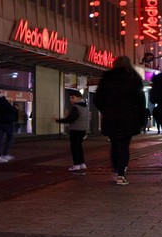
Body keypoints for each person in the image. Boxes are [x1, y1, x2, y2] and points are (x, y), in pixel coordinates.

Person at [94, 55, 145, 186]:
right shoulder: (134, 79)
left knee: (114, 144)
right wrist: (141, 120)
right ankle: (121, 175)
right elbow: (141, 102)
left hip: (111, 117)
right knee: (124, 146)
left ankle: (117, 170)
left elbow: (97, 99)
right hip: (128, 118)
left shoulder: (106, 79)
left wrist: (106, 111)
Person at [54, 90, 90, 172]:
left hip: (76, 129)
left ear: (78, 98)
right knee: (79, 146)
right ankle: (81, 163)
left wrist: (58, 120)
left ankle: (76, 164)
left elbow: (71, 119)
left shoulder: (76, 107)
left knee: (74, 147)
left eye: (73, 97)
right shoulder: (86, 106)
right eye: (70, 98)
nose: (71, 99)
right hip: (83, 129)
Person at [0, 88, 18, 164]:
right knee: (5, 138)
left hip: (5, 122)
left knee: (4, 138)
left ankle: (3, 154)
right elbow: (9, 109)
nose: (2, 92)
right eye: (0, 92)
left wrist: (12, 107)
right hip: (4, 122)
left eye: (2, 91)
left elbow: (8, 108)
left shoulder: (2, 100)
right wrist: (14, 108)